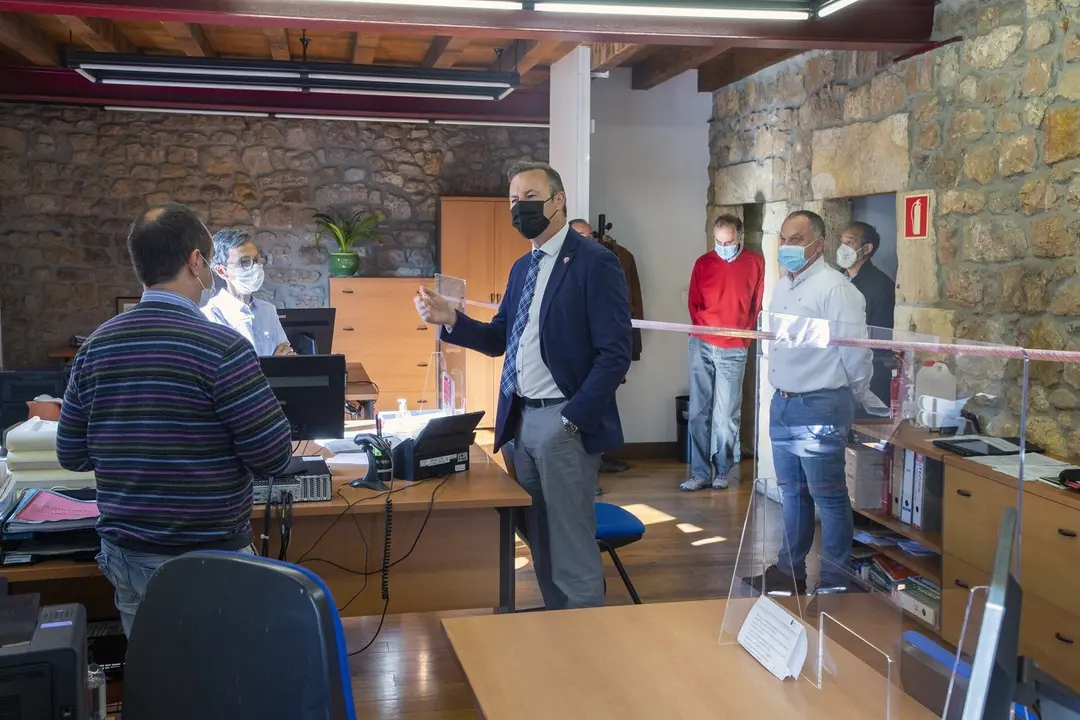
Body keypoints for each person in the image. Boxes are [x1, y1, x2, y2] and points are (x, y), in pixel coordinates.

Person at [57, 204, 294, 636]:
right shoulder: (223, 348)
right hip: (213, 555)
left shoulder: (95, 348)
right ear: (196, 262)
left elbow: (70, 454)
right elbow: (274, 456)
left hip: (128, 553)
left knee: (157, 678)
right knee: (224, 683)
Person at [415, 161, 633, 610]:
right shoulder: (522, 268)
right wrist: (451, 320)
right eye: (514, 200)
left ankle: (587, 634)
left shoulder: (596, 262)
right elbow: (500, 338)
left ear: (559, 201)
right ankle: (558, 623)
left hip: (564, 421)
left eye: (530, 198)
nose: (520, 208)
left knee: (570, 539)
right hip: (520, 420)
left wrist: (573, 419)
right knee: (538, 535)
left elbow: (615, 353)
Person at [746, 210, 871, 596]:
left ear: (818, 245)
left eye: (796, 240)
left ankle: (834, 581)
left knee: (827, 495)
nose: (787, 247)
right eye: (783, 238)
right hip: (782, 403)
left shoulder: (836, 289)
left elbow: (856, 355)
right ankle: (789, 570)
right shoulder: (784, 285)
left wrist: (855, 396)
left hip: (820, 404)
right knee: (791, 491)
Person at [682, 215, 764, 492]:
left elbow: (757, 303)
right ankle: (699, 472)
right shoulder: (703, 263)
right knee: (698, 411)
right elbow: (694, 301)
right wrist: (703, 330)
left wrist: (743, 334)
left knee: (727, 414)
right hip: (702, 341)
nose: (723, 246)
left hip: (735, 345)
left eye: (728, 241)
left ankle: (723, 470)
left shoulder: (755, 263)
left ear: (740, 237)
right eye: (718, 241)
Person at [202, 228, 294, 356]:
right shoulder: (211, 315)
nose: (255, 267)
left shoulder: (268, 310)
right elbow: (223, 370)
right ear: (222, 271)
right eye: (244, 262)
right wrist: (272, 365)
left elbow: (286, 357)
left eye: (256, 260)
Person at [837, 221, 895, 405]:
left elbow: (880, 336)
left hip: (864, 370)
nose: (843, 248)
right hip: (834, 367)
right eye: (841, 242)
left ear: (867, 248)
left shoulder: (881, 285)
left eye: (849, 242)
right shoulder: (835, 279)